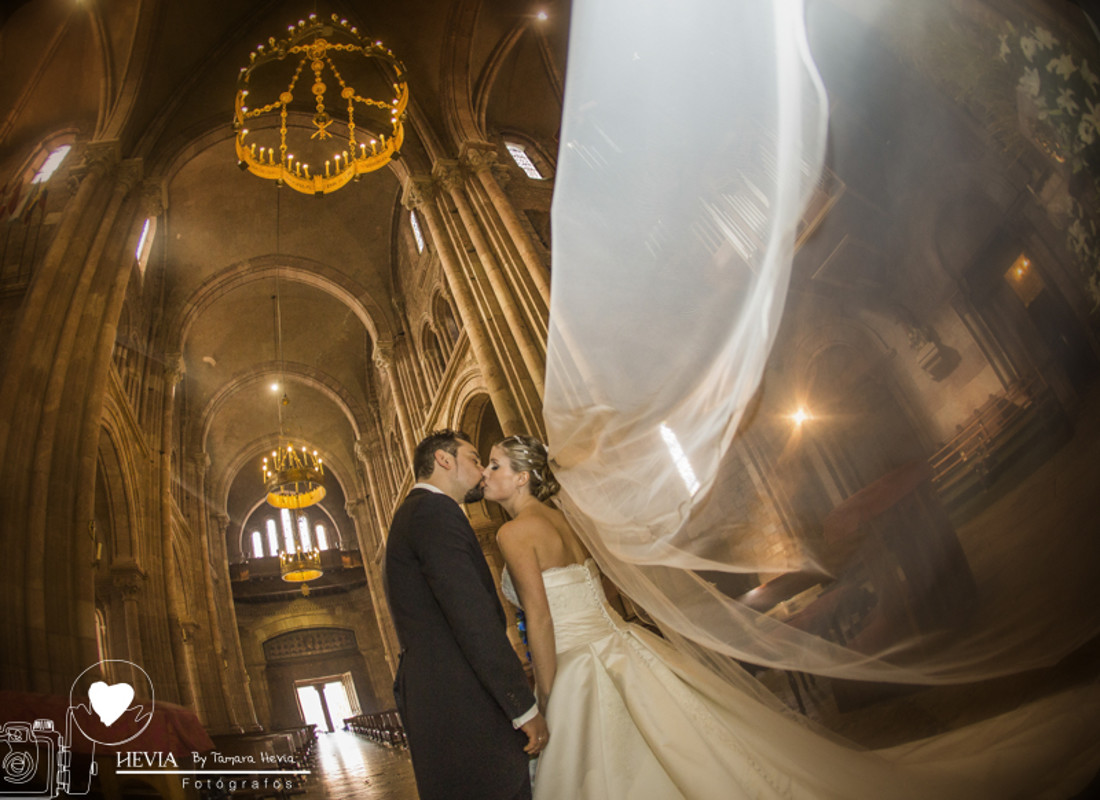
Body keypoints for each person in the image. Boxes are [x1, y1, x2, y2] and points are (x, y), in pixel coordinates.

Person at [482, 434, 1100, 799]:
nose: (487, 475)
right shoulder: (563, 522)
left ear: (522, 476)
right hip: (621, 650)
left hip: (581, 666)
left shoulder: (514, 534)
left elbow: (540, 617)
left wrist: (546, 694)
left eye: (495, 466)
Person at [385, 429, 549, 800]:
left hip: (444, 701)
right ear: (444, 460)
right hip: (463, 704)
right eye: (475, 460)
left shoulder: (416, 514)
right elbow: (472, 617)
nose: (482, 471)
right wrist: (522, 707)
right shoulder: (433, 512)